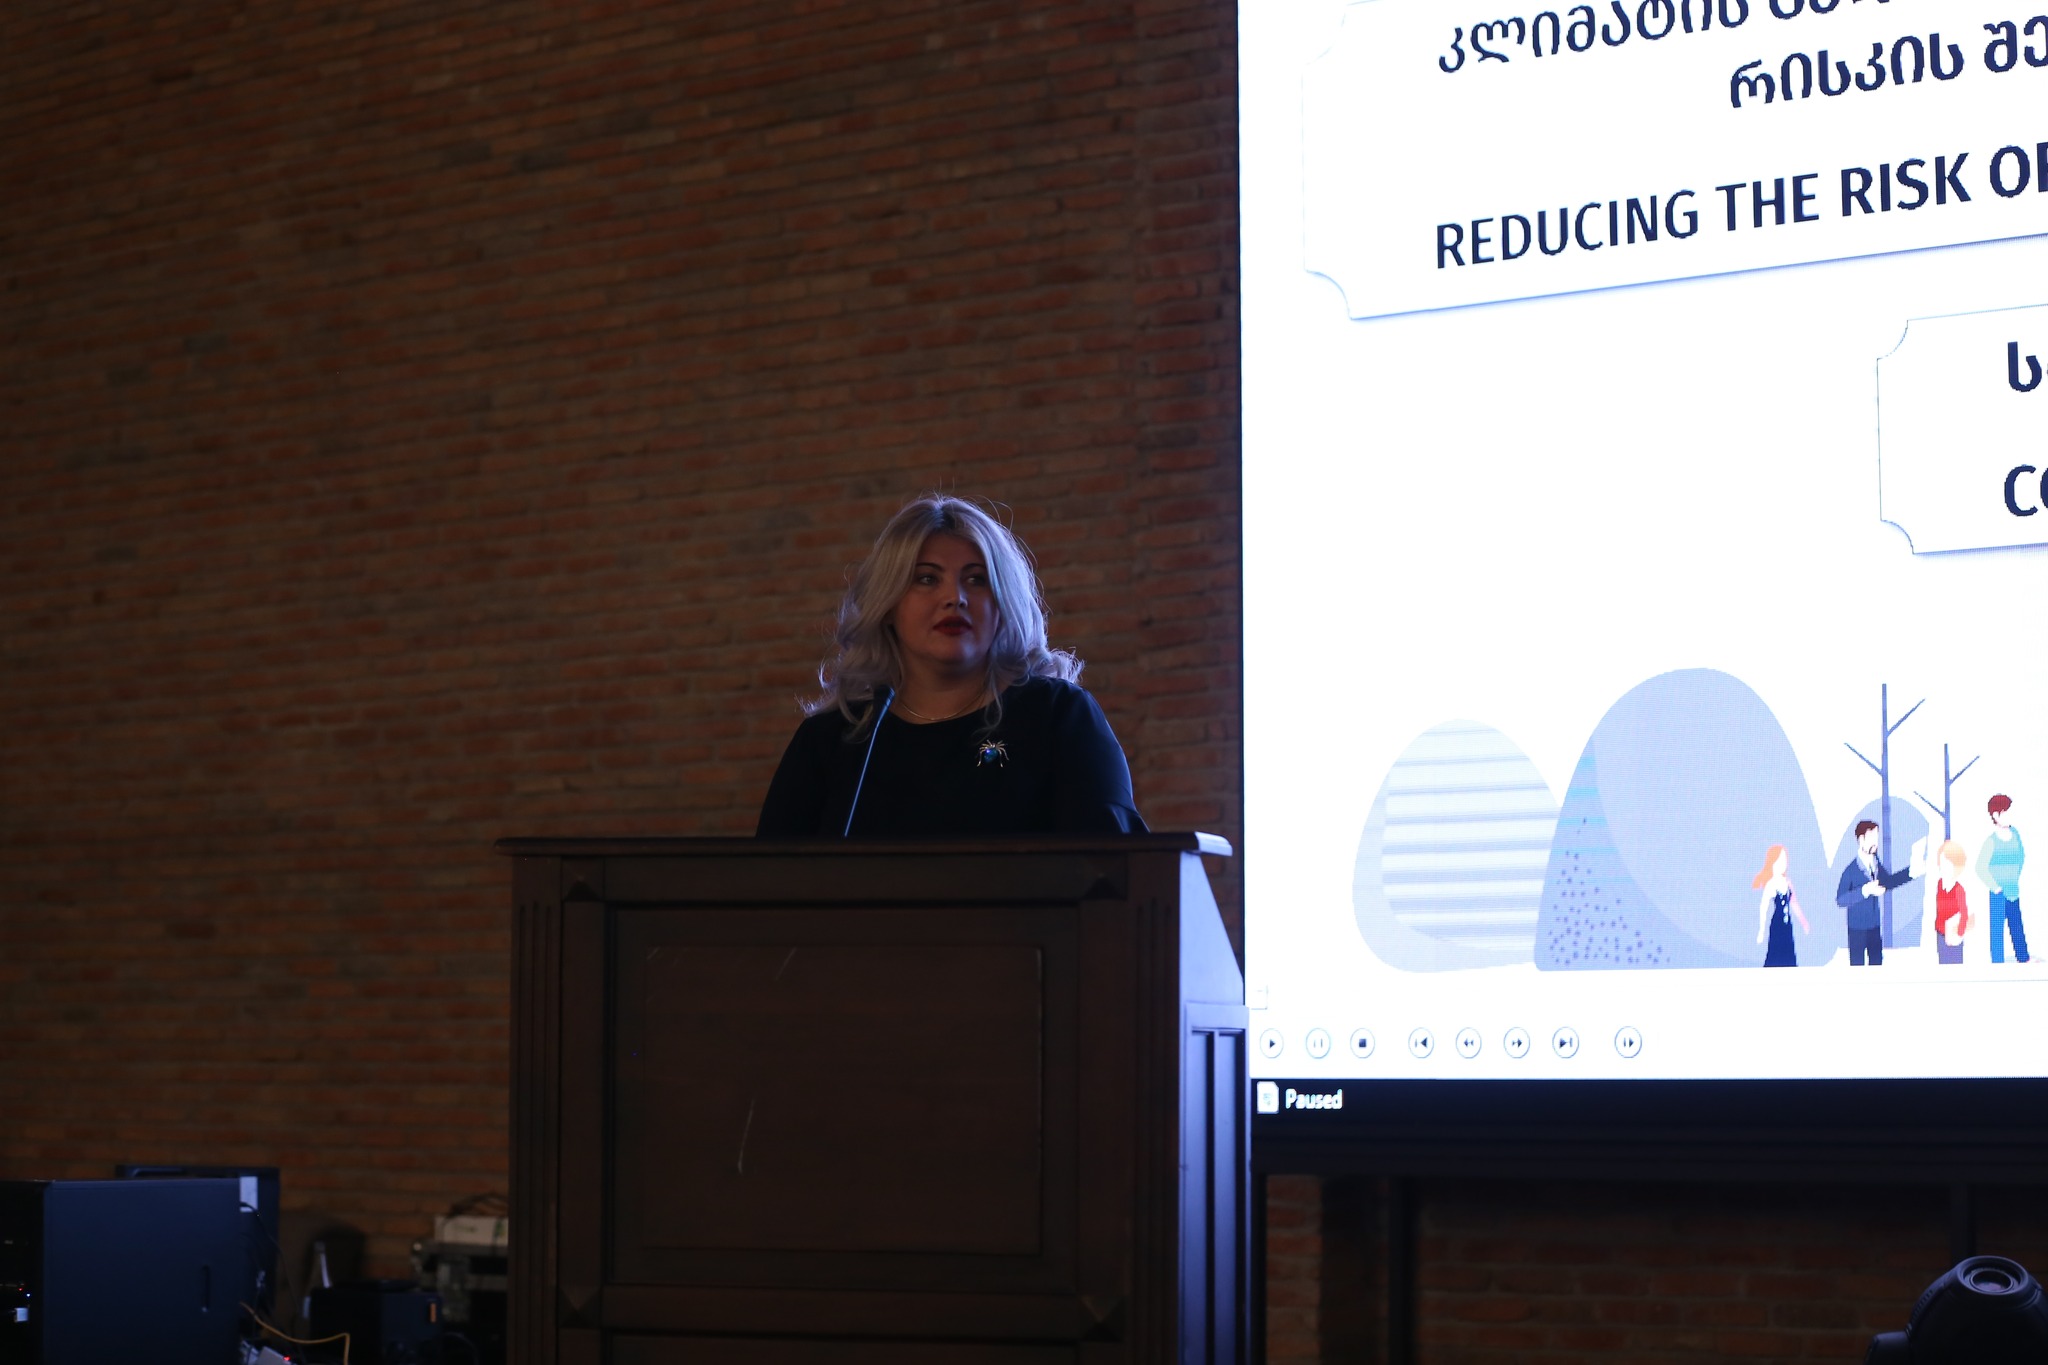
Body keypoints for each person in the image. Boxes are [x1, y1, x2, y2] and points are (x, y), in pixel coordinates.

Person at [756, 495, 1147, 838]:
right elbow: (769, 883)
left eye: (977, 580)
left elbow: (1115, 868)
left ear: (1002, 605)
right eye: (927, 579)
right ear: (888, 605)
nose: (955, 597)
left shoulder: (1057, 715)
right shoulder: (831, 740)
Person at [1835, 819, 1918, 967]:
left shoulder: (1875, 863)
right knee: (1857, 968)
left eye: (1876, 838)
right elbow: (1841, 900)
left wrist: (1911, 873)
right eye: (1872, 838)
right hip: (1857, 928)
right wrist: (1865, 891)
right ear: (1861, 840)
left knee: (1877, 965)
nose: (1875, 842)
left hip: (1874, 926)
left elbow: (1888, 882)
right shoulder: (1850, 870)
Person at [1976, 794, 2028, 964]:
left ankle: (2023, 957)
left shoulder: (2015, 835)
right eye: (2006, 812)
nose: (2010, 816)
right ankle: (1997, 962)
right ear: (1996, 815)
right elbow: (1980, 867)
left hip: (2013, 889)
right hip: (1998, 893)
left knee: (2016, 925)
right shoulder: (1991, 842)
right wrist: (1995, 887)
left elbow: (2021, 857)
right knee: (1997, 930)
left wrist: (2014, 878)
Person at [1752, 844, 1810, 967]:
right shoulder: (1771, 884)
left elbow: (1794, 903)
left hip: (1788, 925)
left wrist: (1804, 922)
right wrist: (1761, 931)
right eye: (1779, 860)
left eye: (1784, 860)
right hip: (1777, 924)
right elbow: (1763, 907)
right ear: (1772, 862)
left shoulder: (1788, 882)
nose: (1783, 864)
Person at [1932, 840, 1971, 966]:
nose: (1943, 867)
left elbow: (1964, 914)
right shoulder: (1939, 884)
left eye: (1947, 863)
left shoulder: (1959, 889)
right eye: (1941, 863)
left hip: (1954, 936)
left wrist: (1958, 935)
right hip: (1941, 934)